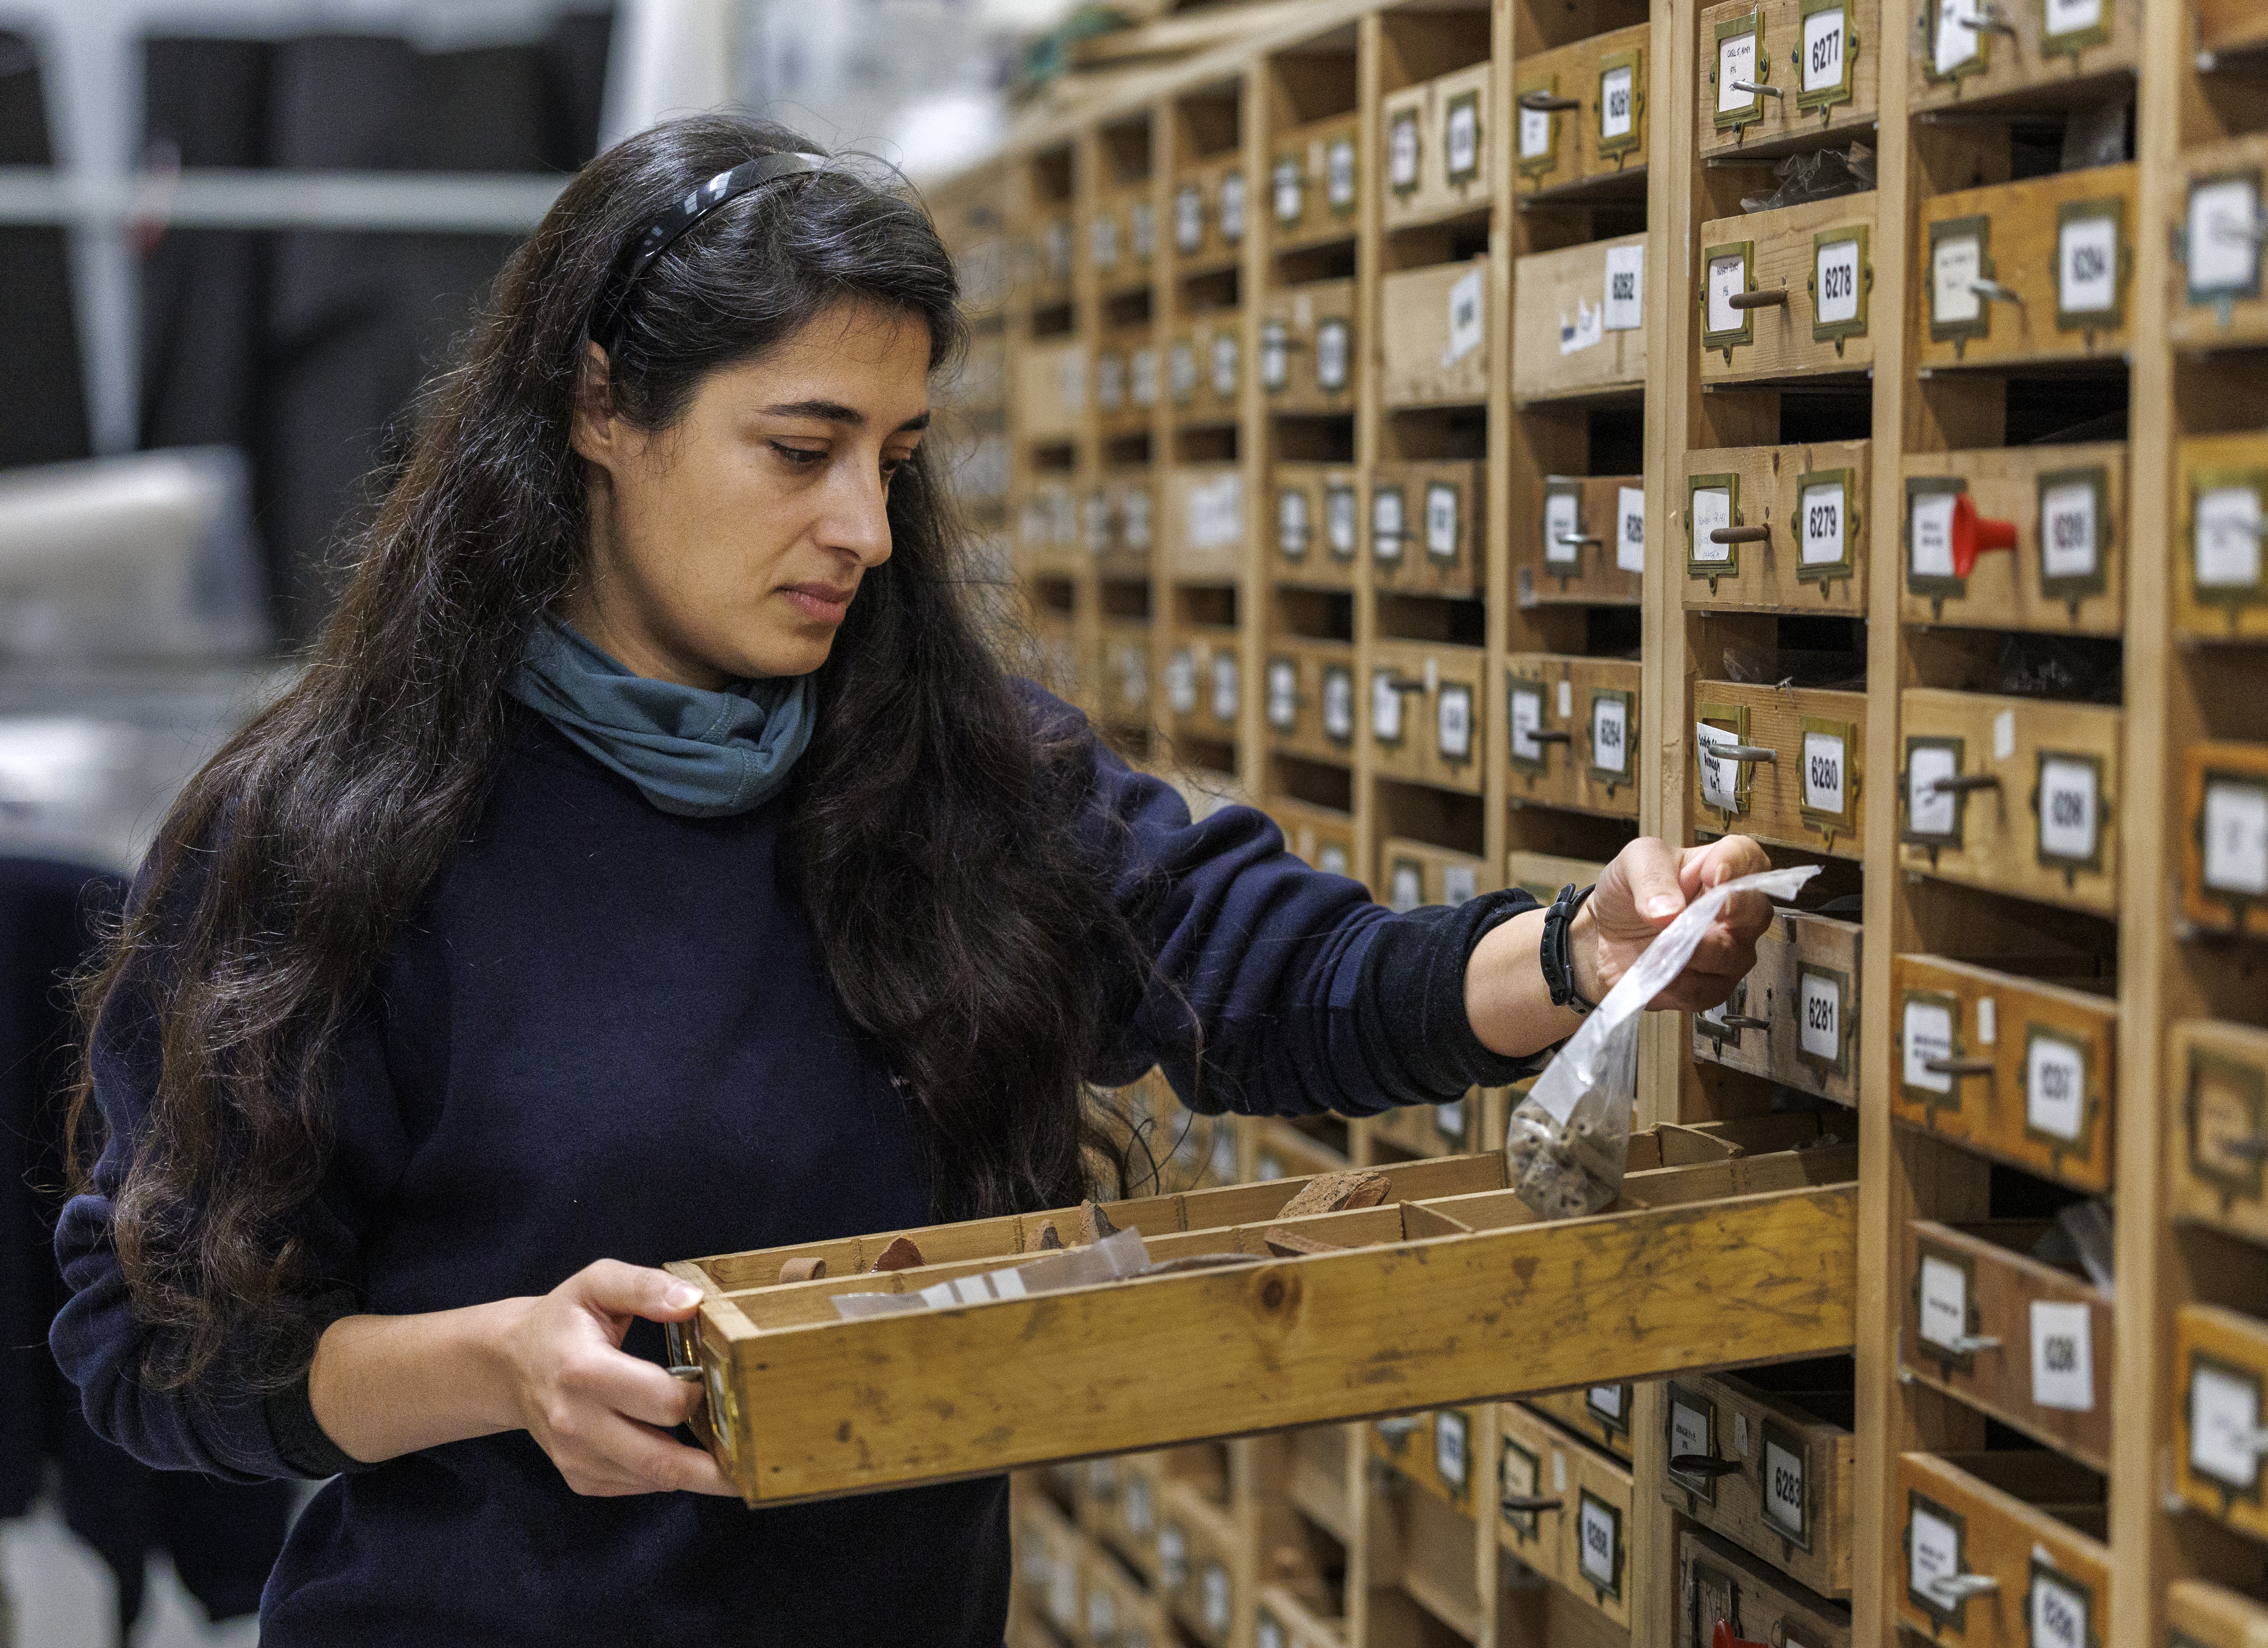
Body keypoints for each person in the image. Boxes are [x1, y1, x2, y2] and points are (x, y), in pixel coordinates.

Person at [52, 115, 1773, 1644]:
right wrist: (498, 1362)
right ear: (598, 407)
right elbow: (158, 1344)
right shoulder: (337, 828)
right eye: (798, 451)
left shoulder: (953, 775)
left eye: (893, 456)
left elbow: (1276, 984)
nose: (865, 531)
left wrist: (1578, 948)